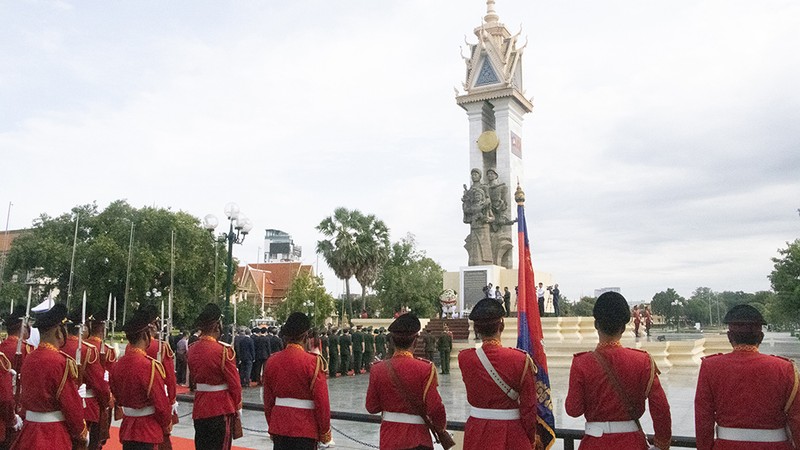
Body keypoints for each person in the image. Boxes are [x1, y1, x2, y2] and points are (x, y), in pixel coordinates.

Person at [565, 292, 671, 449]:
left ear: (596, 325)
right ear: (623, 328)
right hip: (632, 443)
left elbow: (573, 410)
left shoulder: (582, 362)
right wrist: (661, 445)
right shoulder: (642, 360)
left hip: (594, 444)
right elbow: (661, 409)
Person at [694, 304, 799, 449]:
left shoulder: (710, 367)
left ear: (729, 337)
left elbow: (703, 419)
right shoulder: (784, 368)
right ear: (761, 337)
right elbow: (797, 418)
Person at [459, 298, 538, 449]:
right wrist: (530, 437)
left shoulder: (465, 358)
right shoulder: (520, 359)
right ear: (502, 325)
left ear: (476, 329)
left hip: (477, 433)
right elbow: (529, 406)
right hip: (512, 433)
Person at [365, 313, 447, 450]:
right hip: (418, 439)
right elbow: (435, 407)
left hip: (389, 439)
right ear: (415, 341)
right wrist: (440, 429)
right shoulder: (425, 368)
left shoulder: (377, 369)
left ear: (392, 341)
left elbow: (371, 407)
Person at [12, 303, 87, 450]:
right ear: (59, 332)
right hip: (53, 434)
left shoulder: (29, 358)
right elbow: (71, 406)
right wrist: (82, 433)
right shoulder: (61, 362)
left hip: (29, 432)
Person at [263, 312, 333, 449]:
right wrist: (325, 431)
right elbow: (322, 401)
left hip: (279, 425)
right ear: (306, 336)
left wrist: (272, 422)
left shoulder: (272, 360)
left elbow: (268, 399)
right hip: (305, 427)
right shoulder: (313, 362)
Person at [110, 306, 173, 450]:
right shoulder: (149, 366)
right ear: (145, 335)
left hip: (128, 427)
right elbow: (161, 405)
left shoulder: (117, 365)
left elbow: (117, 396)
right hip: (148, 429)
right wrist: (166, 422)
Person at [187, 303, 243, 450]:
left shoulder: (192, 349)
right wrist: (236, 406)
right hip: (221, 408)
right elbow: (235, 385)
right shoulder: (223, 351)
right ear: (217, 325)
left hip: (200, 407)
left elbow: (193, 376)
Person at [62, 309, 111, 450]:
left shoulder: (60, 347)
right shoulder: (87, 350)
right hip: (87, 406)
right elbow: (99, 385)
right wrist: (106, 401)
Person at [144, 306, 178, 449]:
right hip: (159, 397)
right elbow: (170, 378)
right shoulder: (161, 347)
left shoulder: (130, 348)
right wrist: (171, 400)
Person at [86, 310, 117, 448]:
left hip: (80, 400)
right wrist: (108, 398)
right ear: (103, 329)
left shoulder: (83, 346)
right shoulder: (106, 350)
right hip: (96, 402)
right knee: (95, 440)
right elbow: (108, 380)